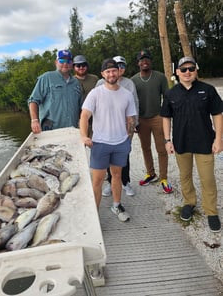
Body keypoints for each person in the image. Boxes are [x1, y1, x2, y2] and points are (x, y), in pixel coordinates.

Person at [161, 56, 223, 232]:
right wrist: (167, 140)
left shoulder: (208, 90)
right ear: (177, 72)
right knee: (185, 176)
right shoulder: (171, 93)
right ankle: (189, 203)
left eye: (191, 68)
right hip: (181, 143)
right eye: (183, 69)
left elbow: (218, 114)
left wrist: (219, 139)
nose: (187, 72)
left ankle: (211, 212)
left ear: (196, 70)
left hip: (205, 142)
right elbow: (166, 117)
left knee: (208, 179)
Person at [80, 58, 137, 222]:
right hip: (100, 143)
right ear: (103, 74)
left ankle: (117, 205)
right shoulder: (95, 93)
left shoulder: (127, 94)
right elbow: (84, 116)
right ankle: (94, 214)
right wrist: (84, 136)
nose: (111, 74)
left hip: (120, 143)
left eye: (114, 70)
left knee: (117, 175)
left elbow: (130, 119)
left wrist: (128, 139)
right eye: (108, 71)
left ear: (119, 71)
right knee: (97, 180)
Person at [96, 55, 139, 197]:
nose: (119, 69)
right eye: (117, 66)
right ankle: (111, 183)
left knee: (124, 156)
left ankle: (125, 182)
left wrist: (132, 127)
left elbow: (135, 105)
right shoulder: (100, 83)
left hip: (124, 129)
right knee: (109, 158)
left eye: (122, 66)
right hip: (106, 129)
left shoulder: (129, 83)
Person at [131, 49, 173, 194]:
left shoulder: (160, 77)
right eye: (141, 59)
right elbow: (132, 102)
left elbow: (167, 98)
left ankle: (163, 178)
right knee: (145, 148)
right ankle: (150, 174)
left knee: (162, 149)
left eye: (147, 59)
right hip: (141, 119)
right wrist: (134, 120)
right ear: (138, 63)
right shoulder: (133, 80)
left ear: (151, 61)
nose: (144, 61)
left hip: (157, 117)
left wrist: (165, 115)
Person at [28, 50, 82, 133]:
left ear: (72, 64)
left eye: (68, 61)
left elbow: (80, 106)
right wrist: (34, 120)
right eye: (62, 61)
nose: (65, 64)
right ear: (56, 62)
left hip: (72, 129)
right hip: (51, 130)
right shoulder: (46, 77)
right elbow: (33, 101)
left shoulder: (76, 82)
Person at [73, 55, 99, 138]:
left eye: (83, 65)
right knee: (79, 145)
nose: (81, 67)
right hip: (77, 119)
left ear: (87, 66)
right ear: (74, 67)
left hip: (94, 118)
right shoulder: (70, 81)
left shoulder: (95, 79)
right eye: (78, 65)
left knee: (95, 143)